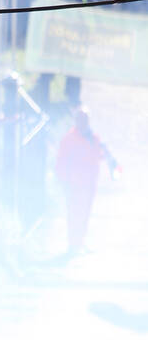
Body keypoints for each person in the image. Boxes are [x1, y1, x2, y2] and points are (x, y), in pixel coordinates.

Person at [55, 107, 116, 253]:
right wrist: (64, 180)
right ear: (76, 121)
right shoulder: (69, 139)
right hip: (74, 183)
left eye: (85, 119)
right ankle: (73, 244)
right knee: (74, 213)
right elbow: (61, 160)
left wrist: (108, 157)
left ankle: (80, 242)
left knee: (85, 213)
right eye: (81, 119)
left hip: (89, 183)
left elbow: (97, 155)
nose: (83, 122)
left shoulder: (93, 137)